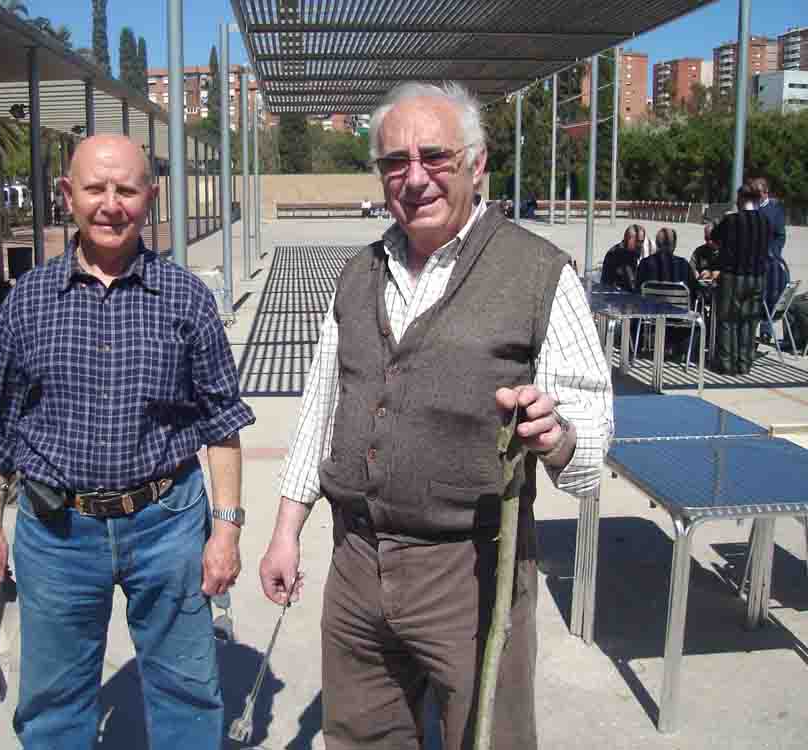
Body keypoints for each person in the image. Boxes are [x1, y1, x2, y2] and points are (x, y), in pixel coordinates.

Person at [259, 81, 613, 750]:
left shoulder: (539, 273)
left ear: (477, 165)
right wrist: (286, 530)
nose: (414, 178)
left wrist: (556, 435)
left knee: (488, 738)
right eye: (395, 161)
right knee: (360, 737)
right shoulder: (357, 273)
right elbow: (321, 409)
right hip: (357, 559)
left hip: (471, 569)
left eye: (435, 157)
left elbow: (592, 449)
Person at [0, 135, 255, 748]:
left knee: (188, 694)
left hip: (168, 525)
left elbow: (222, 425)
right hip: (56, 534)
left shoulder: (186, 298)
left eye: (126, 189)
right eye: (95, 188)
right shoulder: (26, 304)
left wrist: (225, 531)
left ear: (150, 198)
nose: (110, 204)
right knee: (52, 701)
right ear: (68, 196)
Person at [710, 182, 770, 375]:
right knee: (748, 321)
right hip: (757, 278)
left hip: (733, 277)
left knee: (727, 320)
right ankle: (744, 364)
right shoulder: (765, 221)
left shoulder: (732, 220)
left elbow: (714, 236)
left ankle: (726, 363)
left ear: (741, 199)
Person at [637, 227, 699, 359]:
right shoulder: (683, 265)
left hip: (651, 314)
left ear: (657, 244)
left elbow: (637, 290)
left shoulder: (645, 264)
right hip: (678, 315)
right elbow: (695, 292)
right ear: (674, 245)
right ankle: (683, 351)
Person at [752, 176, 789, 334]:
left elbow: (780, 236)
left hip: (769, 261)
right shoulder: (750, 208)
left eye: (758, 193)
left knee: (768, 291)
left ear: (766, 192)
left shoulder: (775, 210)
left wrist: (773, 253)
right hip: (751, 260)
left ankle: (766, 329)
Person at [600, 224, 644, 290]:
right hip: (615, 293)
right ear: (629, 239)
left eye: (642, 241)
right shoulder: (617, 253)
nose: (640, 245)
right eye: (638, 241)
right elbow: (630, 282)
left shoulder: (633, 251)